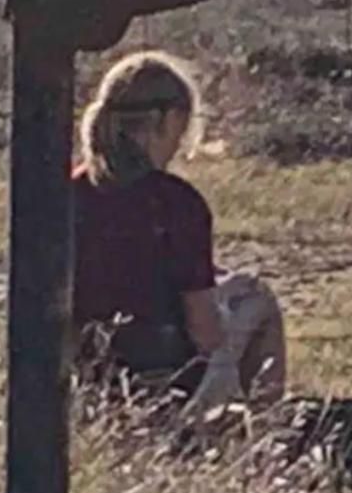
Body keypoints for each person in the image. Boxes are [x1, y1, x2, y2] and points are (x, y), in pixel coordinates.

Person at [71, 50, 286, 415]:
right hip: (169, 377)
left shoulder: (71, 191)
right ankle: (263, 431)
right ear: (167, 120)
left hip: (85, 375)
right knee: (257, 299)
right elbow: (204, 331)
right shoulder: (176, 203)